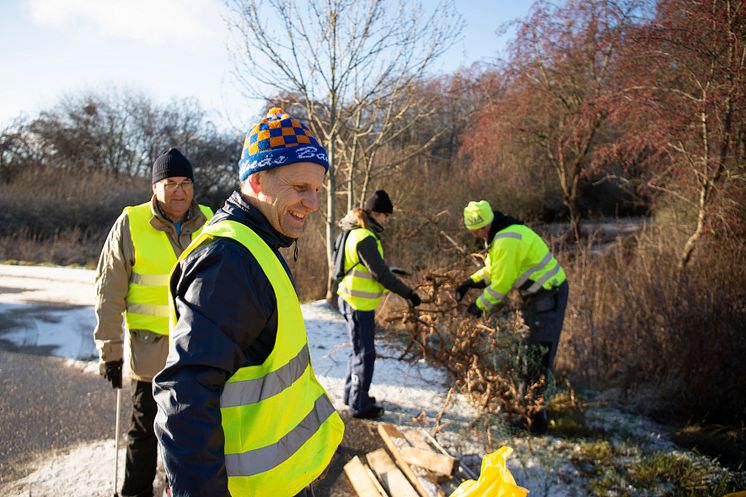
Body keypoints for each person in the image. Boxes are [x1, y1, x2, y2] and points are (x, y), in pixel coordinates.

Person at [153, 108, 344, 497]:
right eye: (301, 187)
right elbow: (184, 395)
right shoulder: (229, 261)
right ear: (256, 180)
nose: (313, 202)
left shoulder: (258, 244)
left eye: (318, 189)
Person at [93, 147, 213, 497]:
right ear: (155, 187)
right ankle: (134, 492)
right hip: (151, 355)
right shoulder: (130, 224)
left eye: (186, 183)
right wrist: (110, 352)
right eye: (170, 183)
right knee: (145, 431)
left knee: (195, 433)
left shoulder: (210, 221)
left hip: (199, 351)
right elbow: (108, 293)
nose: (180, 191)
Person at [454, 200, 569, 434]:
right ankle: (530, 412)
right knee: (529, 353)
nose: (474, 235)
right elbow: (492, 270)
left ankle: (537, 421)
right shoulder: (500, 234)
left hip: (549, 295)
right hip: (537, 297)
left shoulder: (506, 240)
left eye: (474, 231)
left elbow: (502, 284)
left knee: (539, 356)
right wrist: (470, 282)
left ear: (482, 227)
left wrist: (478, 305)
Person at [336, 190, 422, 419]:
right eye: (385, 216)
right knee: (365, 355)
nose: (387, 220)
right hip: (358, 305)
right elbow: (381, 275)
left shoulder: (355, 232)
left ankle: (352, 395)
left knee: (358, 352)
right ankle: (359, 405)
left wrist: (390, 272)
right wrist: (409, 293)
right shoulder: (364, 237)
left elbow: (367, 268)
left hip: (351, 301)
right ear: (375, 213)